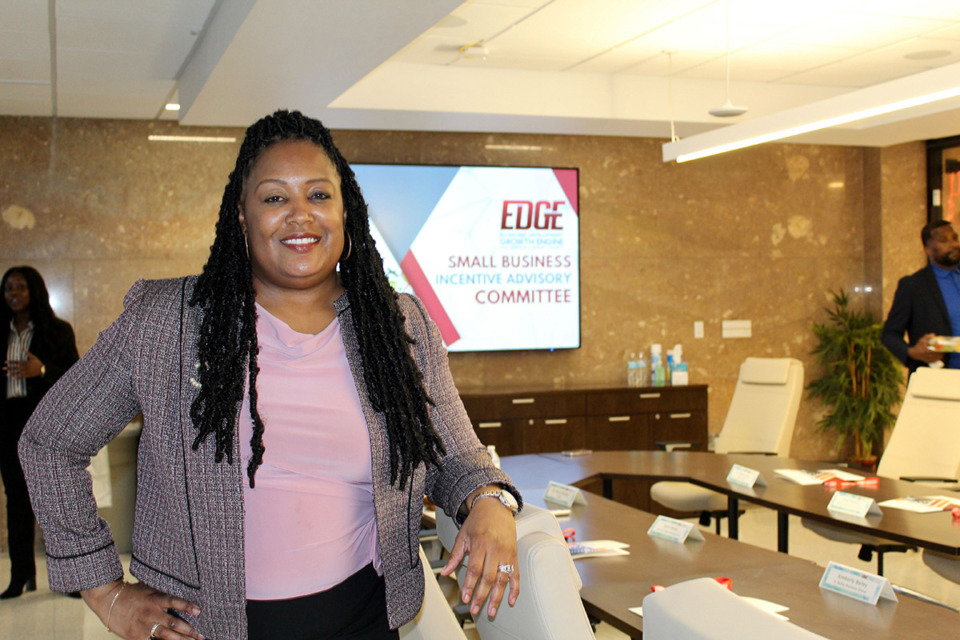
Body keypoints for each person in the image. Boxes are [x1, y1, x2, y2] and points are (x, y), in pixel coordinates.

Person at [19, 110, 522, 640]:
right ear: (241, 214)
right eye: (275, 197)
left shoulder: (400, 326)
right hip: (208, 629)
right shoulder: (167, 322)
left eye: (319, 195)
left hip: (366, 621)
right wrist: (104, 588)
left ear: (345, 210)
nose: (300, 215)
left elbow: (455, 453)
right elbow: (51, 442)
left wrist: (489, 499)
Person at [1, 266, 78, 599]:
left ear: (34, 290)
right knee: (16, 502)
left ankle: (72, 580)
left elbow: (76, 376)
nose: (14, 294)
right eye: (8, 288)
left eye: (20, 287)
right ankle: (21, 577)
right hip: (7, 424)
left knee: (55, 503)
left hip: (44, 425)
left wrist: (42, 369)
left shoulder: (57, 331)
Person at [882, 219, 960, 375]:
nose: (953, 244)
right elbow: (889, 334)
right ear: (927, 249)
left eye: (955, 238)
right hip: (937, 380)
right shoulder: (913, 286)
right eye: (944, 240)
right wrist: (912, 352)